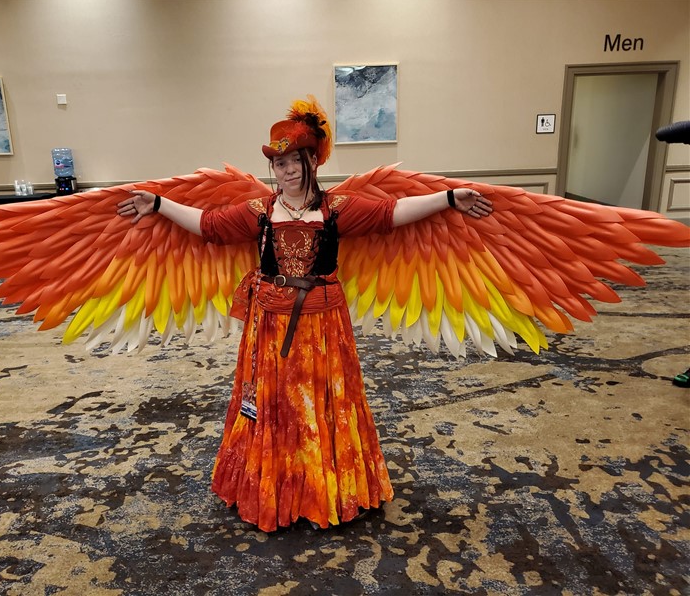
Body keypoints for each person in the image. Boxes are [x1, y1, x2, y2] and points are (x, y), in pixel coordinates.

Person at [119, 96, 493, 532]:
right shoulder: (260, 213)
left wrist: (448, 198)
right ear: (273, 168)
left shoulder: (337, 209)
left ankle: (323, 492)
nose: (288, 170)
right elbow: (209, 225)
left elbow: (392, 214)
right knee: (273, 407)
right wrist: (158, 204)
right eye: (280, 163)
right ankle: (274, 491)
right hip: (269, 327)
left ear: (312, 161)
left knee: (322, 408)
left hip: (323, 328)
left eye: (296, 160)